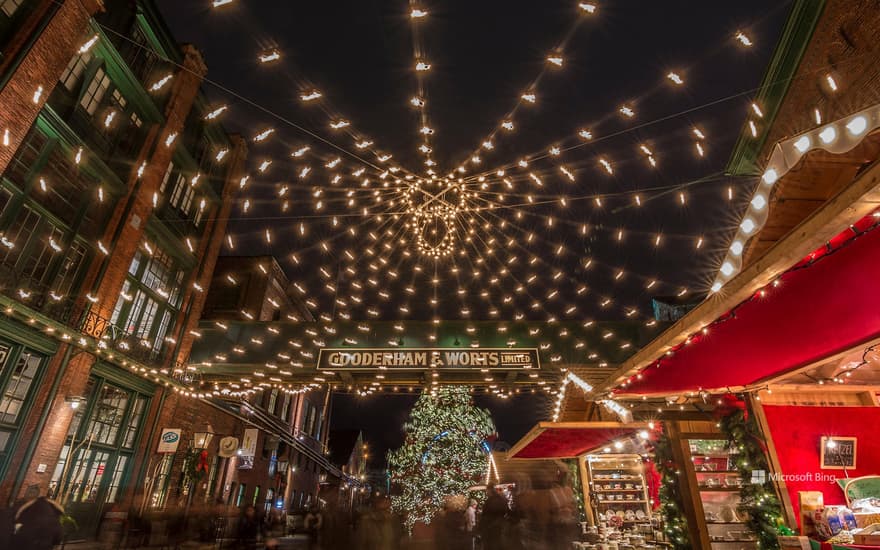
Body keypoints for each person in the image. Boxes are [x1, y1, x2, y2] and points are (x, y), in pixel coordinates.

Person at [12, 485, 64, 550]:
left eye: (32, 493)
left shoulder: (24, 508)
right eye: (29, 492)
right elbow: (58, 538)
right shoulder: (52, 516)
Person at [480, 485, 509, 550]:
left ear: (489, 490)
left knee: (490, 544)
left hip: (490, 526)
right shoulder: (501, 499)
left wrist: (483, 526)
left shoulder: (490, 500)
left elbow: (485, 514)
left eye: (487, 491)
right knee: (497, 542)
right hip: (498, 525)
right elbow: (505, 511)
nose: (486, 493)